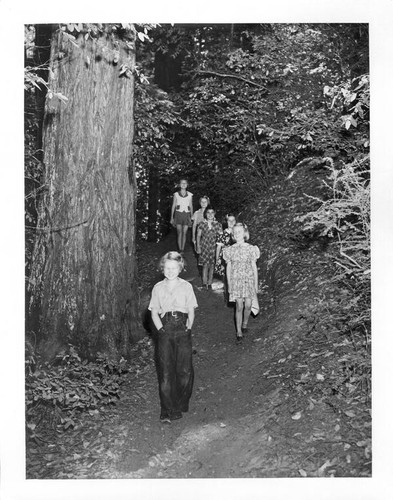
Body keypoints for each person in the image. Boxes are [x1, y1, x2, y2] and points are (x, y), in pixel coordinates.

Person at [148, 251, 198, 423]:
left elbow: (191, 310)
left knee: (184, 371)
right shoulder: (158, 288)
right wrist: (161, 330)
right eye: (167, 268)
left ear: (180, 268)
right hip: (165, 329)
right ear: (163, 269)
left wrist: (188, 328)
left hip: (182, 328)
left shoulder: (186, 287)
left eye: (174, 268)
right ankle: (167, 409)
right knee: (166, 372)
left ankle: (180, 403)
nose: (170, 271)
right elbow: (154, 312)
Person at [223, 223, 260, 342]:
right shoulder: (230, 250)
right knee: (239, 306)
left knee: (248, 305)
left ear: (244, 233)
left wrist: (256, 284)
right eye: (235, 232)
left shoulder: (251, 248)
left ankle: (245, 324)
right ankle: (238, 331)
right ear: (233, 235)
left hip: (248, 279)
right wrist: (229, 284)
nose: (238, 234)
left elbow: (254, 267)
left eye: (240, 231)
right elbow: (228, 268)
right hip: (236, 281)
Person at [195, 207, 222, 290]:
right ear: (205, 214)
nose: (210, 214)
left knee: (212, 265)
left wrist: (220, 249)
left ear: (214, 214)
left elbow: (221, 237)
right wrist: (198, 246)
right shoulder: (202, 224)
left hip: (214, 247)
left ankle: (210, 283)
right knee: (205, 265)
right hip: (205, 247)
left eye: (212, 212)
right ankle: (204, 282)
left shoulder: (218, 224)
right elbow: (198, 236)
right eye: (208, 213)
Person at [170, 179, 193, 253]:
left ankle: (183, 249)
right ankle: (180, 249)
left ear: (187, 185)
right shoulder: (176, 194)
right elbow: (173, 205)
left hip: (186, 214)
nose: (183, 184)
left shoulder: (190, 194)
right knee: (179, 232)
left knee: (185, 232)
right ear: (179, 185)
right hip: (178, 214)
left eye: (185, 183)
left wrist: (191, 217)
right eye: (182, 183)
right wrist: (172, 217)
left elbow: (191, 206)